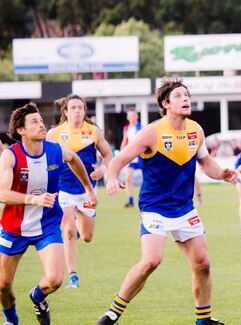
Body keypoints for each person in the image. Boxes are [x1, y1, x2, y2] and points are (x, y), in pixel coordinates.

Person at [97, 79, 238, 325]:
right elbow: (119, 160)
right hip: (155, 207)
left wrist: (222, 174)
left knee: (203, 264)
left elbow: (207, 165)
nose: (186, 99)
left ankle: (203, 320)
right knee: (151, 261)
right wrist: (111, 178)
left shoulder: (196, 130)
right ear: (165, 103)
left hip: (184, 207)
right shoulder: (152, 132)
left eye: (187, 95)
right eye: (179, 96)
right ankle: (112, 314)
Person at [0, 103, 98, 325]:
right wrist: (32, 199)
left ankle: (37, 297)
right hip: (14, 228)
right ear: (20, 131)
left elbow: (74, 159)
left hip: (47, 225)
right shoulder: (10, 156)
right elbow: (2, 193)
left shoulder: (55, 150)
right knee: (3, 286)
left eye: (41, 120)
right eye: (34, 122)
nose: (41, 124)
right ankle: (12, 320)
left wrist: (89, 189)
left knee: (54, 280)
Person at [45, 95, 112, 290]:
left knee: (87, 236)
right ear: (65, 112)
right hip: (63, 190)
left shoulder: (93, 132)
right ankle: (73, 276)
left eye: (80, 108)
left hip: (86, 191)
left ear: (84, 111)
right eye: (73, 108)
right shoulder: (54, 134)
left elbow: (108, 155)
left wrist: (103, 170)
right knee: (68, 231)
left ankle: (79, 219)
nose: (77, 111)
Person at [120, 109, 142, 208]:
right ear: (128, 117)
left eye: (134, 115)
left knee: (148, 178)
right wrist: (121, 154)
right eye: (130, 116)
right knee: (128, 178)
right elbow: (125, 141)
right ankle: (131, 201)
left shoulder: (141, 128)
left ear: (137, 116)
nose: (132, 117)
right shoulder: (126, 128)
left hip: (141, 157)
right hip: (131, 157)